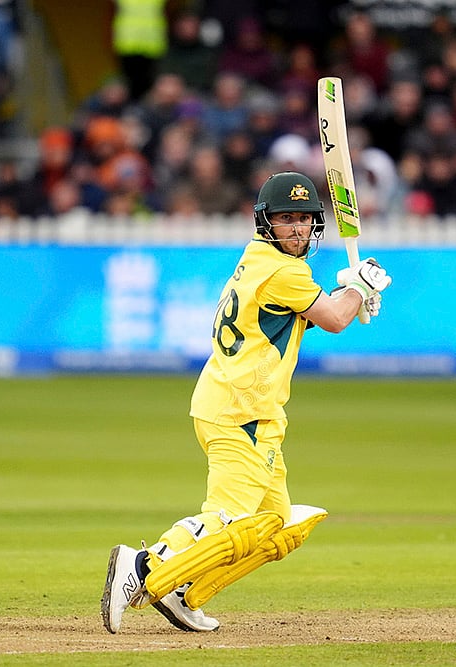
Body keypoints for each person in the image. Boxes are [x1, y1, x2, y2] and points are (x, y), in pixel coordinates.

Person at [101, 171, 392, 633]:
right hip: (241, 412)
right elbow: (335, 320)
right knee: (228, 520)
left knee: (274, 525)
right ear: (266, 223)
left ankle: (184, 589)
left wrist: (353, 294)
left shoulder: (260, 261)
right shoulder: (284, 271)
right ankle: (142, 565)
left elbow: (301, 316)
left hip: (245, 408)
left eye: (303, 219)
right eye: (285, 219)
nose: (296, 229)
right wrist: (358, 290)